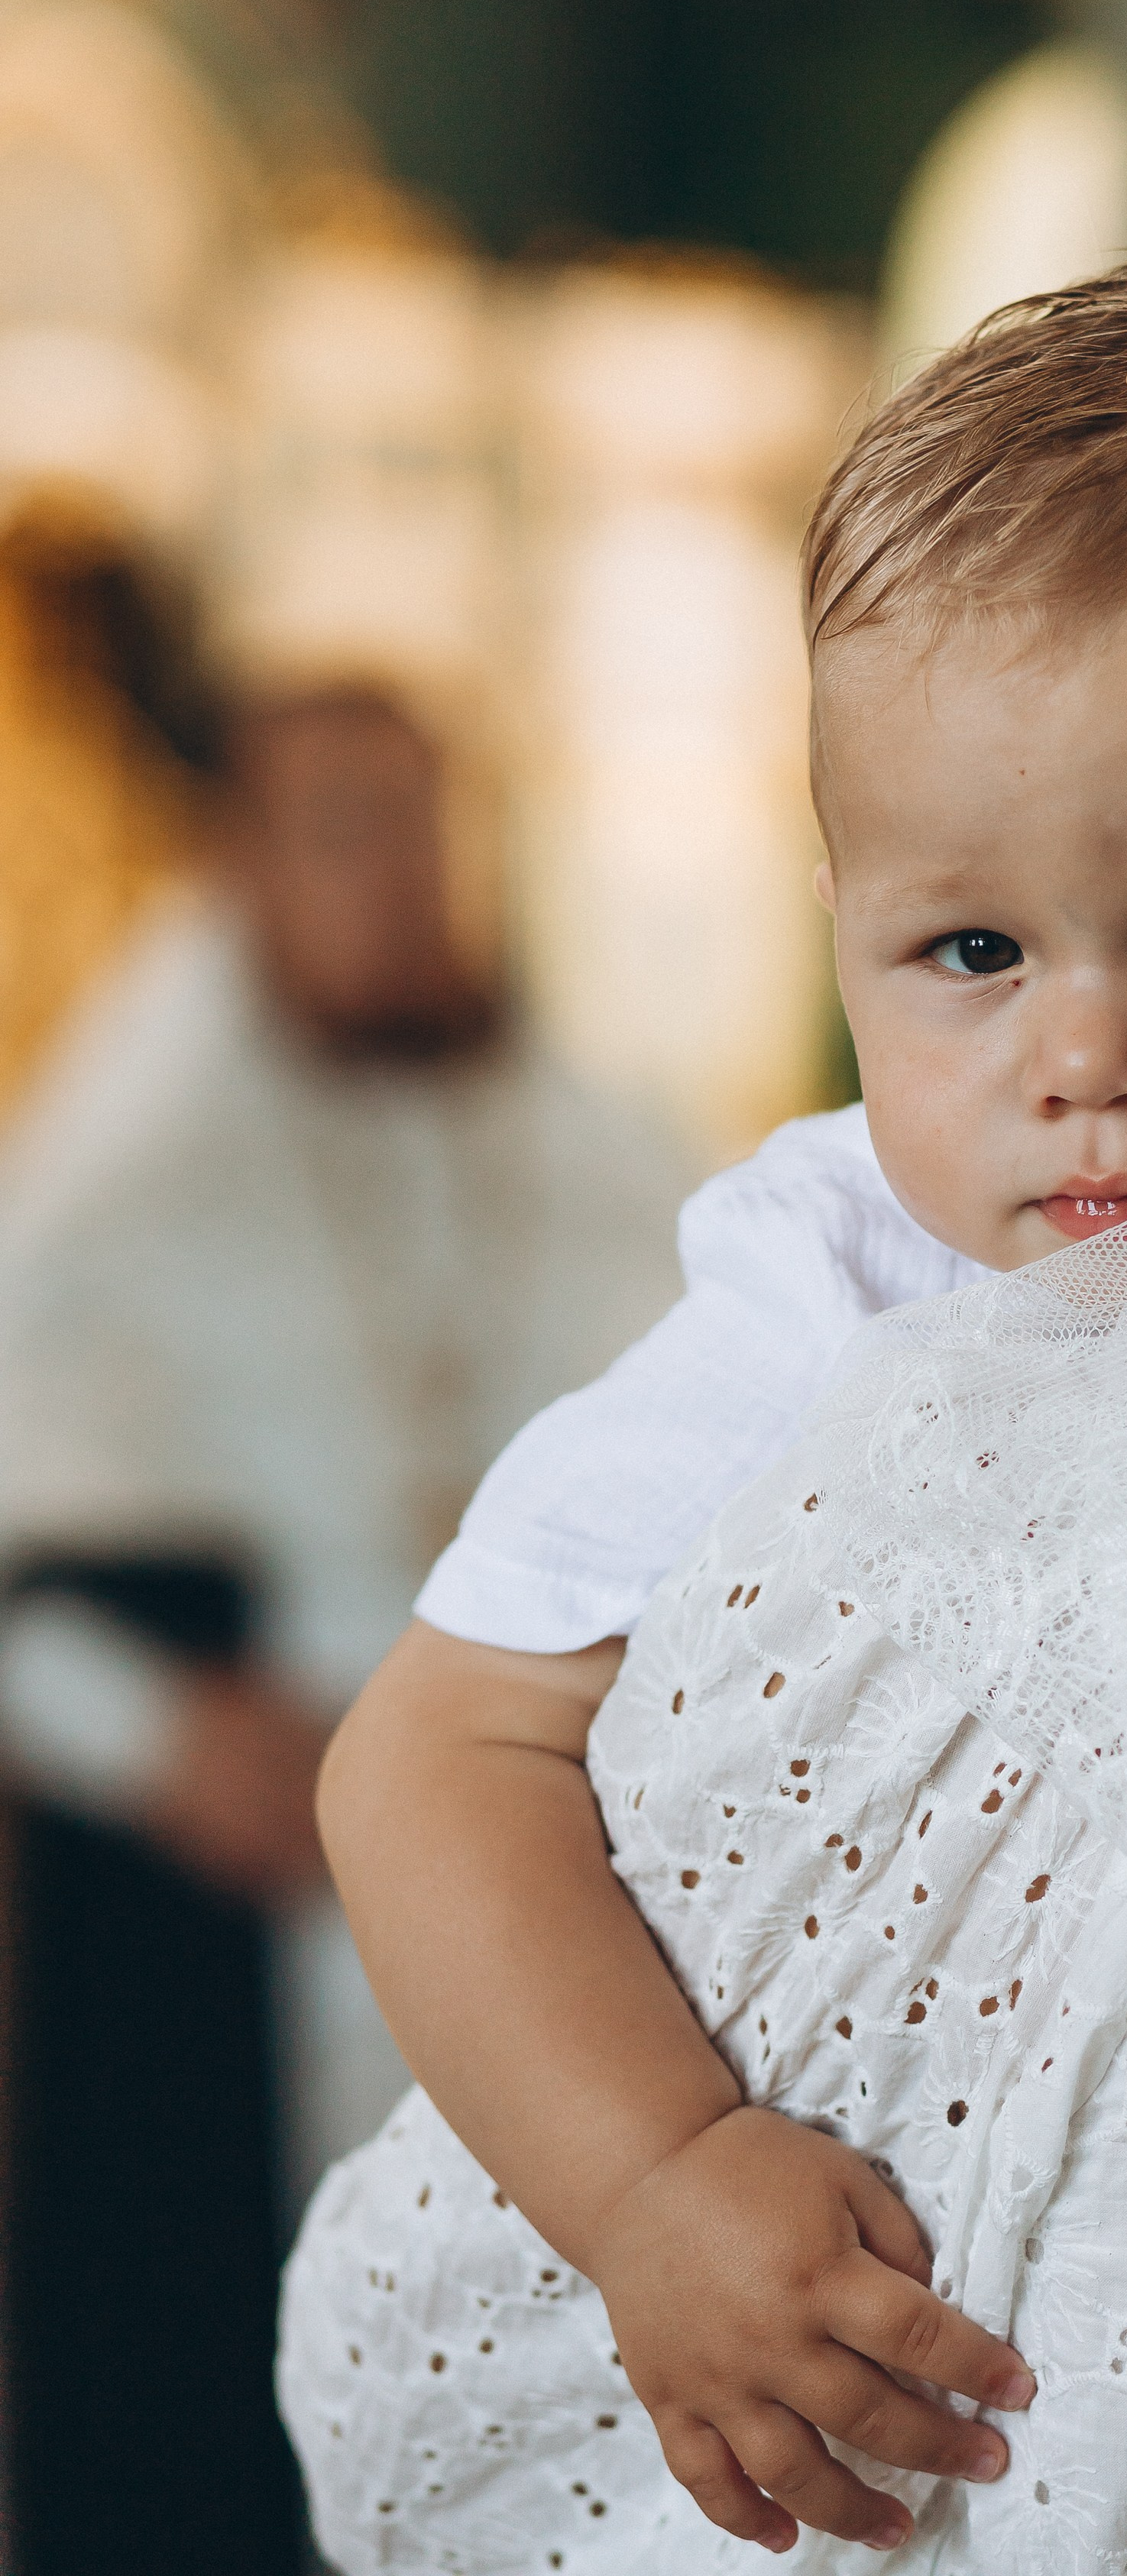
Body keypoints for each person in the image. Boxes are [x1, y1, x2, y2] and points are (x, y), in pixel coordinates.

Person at [283, 254, 1127, 2571]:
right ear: (842, 923)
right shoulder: (834, 1278)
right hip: (821, 2335)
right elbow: (428, 1759)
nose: (1086, 1057)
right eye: (971, 954)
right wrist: (655, 2179)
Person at [0, 680, 687, 2572]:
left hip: (590, 1872)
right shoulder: (125, 1191)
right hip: (259, 1928)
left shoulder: (615, 1161)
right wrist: (158, 1740)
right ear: (244, 869)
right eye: (339, 831)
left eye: (425, 826)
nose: (394, 880)